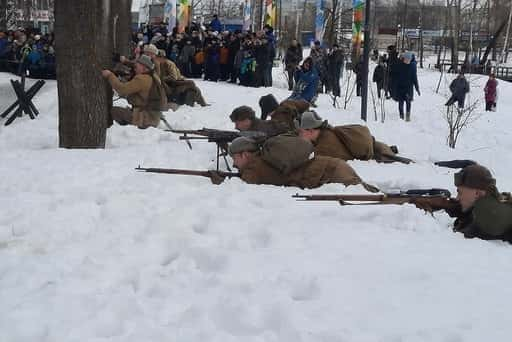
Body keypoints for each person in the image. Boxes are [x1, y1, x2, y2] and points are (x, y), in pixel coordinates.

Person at [228, 136, 376, 190]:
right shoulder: (264, 157)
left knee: (372, 199)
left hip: (329, 173)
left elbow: (238, 190)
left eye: (235, 158)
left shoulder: (253, 168)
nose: (234, 164)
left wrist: (216, 178)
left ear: (245, 154)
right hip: (332, 166)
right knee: (368, 192)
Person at [296, 111, 408, 163]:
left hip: (373, 154)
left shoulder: (323, 148)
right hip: (375, 146)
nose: (299, 135)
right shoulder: (327, 133)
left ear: (310, 130)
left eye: (301, 132)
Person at [446, 164, 512, 243]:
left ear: (477, 193)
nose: (457, 198)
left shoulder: (488, 212)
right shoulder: (495, 203)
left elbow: (465, 234)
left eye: (460, 193)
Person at [101, 55, 166, 129]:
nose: (135, 68)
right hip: (153, 118)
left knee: (115, 111)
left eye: (137, 66)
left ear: (144, 68)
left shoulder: (142, 79)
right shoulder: (154, 76)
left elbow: (122, 90)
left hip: (144, 118)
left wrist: (110, 75)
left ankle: (124, 130)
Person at [391, 51, 420, 121]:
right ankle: (401, 116)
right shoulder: (399, 66)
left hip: (408, 88)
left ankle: (407, 116)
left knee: (408, 102)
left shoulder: (412, 67)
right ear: (404, 59)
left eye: (409, 59)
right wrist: (393, 88)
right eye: (406, 59)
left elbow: (414, 78)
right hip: (400, 88)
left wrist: (417, 88)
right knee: (400, 103)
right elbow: (394, 77)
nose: (408, 61)